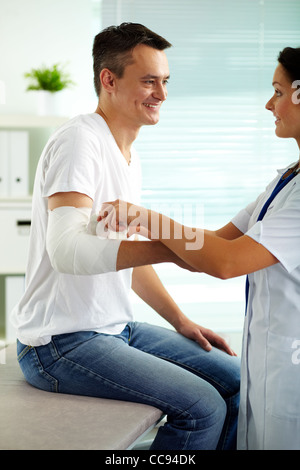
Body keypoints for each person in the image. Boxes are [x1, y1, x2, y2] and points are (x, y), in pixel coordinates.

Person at [11, 23, 240, 450]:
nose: (162, 94)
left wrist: (180, 321)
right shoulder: (80, 142)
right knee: (203, 407)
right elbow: (66, 251)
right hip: (60, 342)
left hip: (116, 328)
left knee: (234, 379)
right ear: (109, 80)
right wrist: (171, 248)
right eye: (149, 81)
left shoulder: (128, 156)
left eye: (165, 81)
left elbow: (124, 262)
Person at [101, 46, 300, 450]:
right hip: (269, 369)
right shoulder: (285, 182)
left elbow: (224, 262)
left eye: (278, 92)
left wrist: (143, 217)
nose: (269, 104)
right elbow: (211, 245)